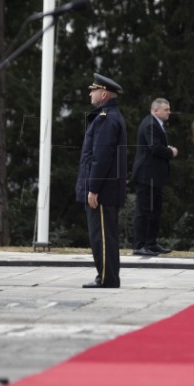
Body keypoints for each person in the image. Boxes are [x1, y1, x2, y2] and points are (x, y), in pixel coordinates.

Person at [75, 73, 127, 289]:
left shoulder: (107, 118)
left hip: (102, 190)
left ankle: (106, 278)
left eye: (93, 90)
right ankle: (108, 276)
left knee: (102, 237)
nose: (90, 93)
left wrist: (93, 188)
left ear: (103, 93)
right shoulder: (108, 116)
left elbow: (101, 157)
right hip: (106, 189)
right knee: (106, 236)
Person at [131, 98, 178, 256]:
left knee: (154, 211)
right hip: (146, 176)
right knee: (143, 211)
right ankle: (139, 245)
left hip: (154, 176)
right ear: (156, 110)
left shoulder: (156, 124)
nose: (169, 112)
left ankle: (150, 243)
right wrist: (171, 152)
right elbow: (155, 148)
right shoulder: (150, 124)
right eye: (166, 109)